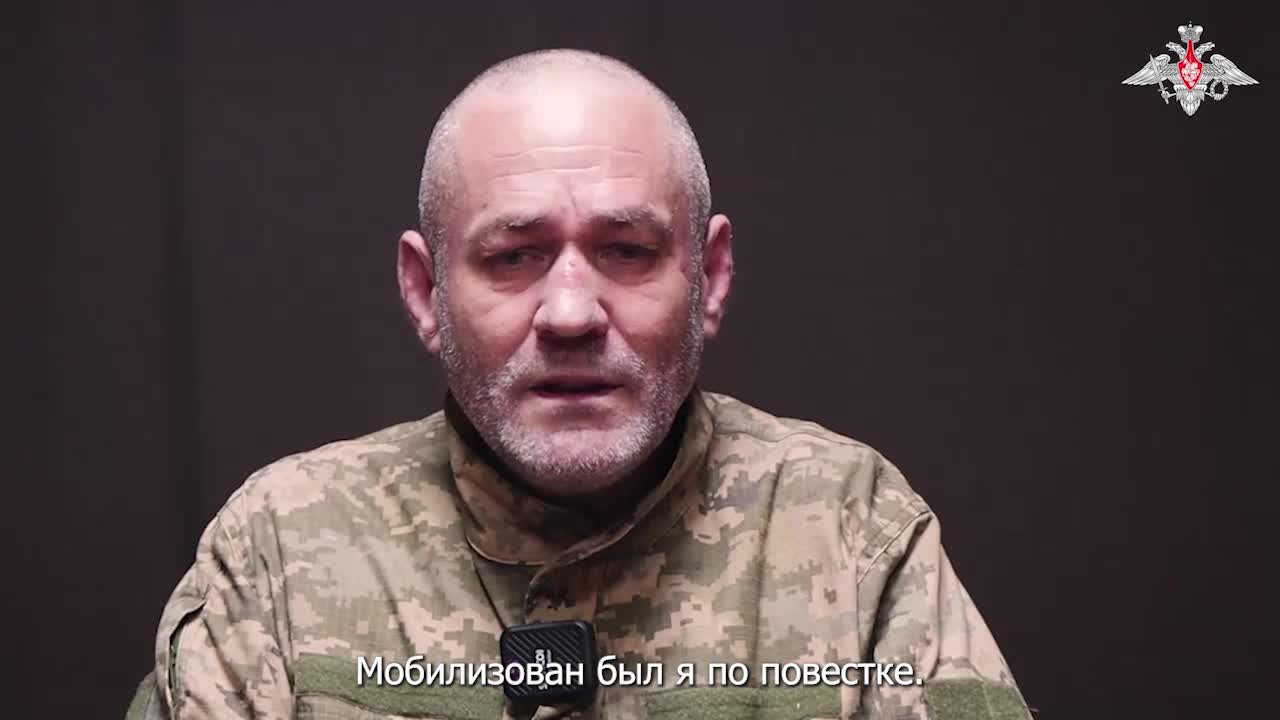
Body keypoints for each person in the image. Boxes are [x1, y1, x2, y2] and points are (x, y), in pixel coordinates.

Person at [125, 49, 1032, 720]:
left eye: (627, 251)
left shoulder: (851, 530)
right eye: (513, 256)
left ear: (710, 278)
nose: (569, 312)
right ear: (426, 293)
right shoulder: (281, 547)